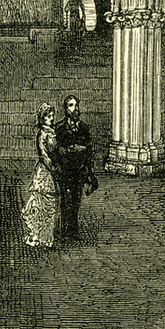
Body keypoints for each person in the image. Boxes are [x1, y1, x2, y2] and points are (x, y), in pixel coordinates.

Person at [55, 95, 97, 240]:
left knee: (75, 200)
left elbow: (89, 149)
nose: (75, 108)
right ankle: (63, 230)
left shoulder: (83, 127)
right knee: (65, 200)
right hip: (65, 169)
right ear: (66, 108)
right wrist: (65, 150)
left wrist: (82, 151)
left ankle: (73, 230)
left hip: (79, 169)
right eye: (71, 105)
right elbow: (56, 149)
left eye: (76, 105)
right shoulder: (59, 128)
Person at [21, 103, 61, 248]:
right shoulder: (42, 134)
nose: (51, 118)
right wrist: (54, 168)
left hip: (53, 170)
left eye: (52, 116)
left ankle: (47, 237)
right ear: (42, 118)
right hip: (45, 172)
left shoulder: (52, 132)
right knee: (42, 204)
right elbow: (43, 155)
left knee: (50, 206)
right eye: (48, 116)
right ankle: (38, 236)